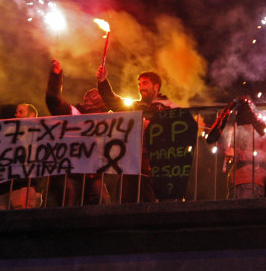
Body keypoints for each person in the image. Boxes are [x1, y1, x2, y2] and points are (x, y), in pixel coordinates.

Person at [96, 64, 179, 202]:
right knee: (126, 205)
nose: (141, 87)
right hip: (130, 167)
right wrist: (103, 81)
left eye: (145, 83)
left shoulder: (169, 107)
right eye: (139, 84)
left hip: (157, 167)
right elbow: (112, 102)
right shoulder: (134, 106)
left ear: (156, 87)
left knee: (152, 208)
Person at [45, 59, 111, 206]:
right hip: (70, 172)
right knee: (68, 201)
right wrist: (55, 77)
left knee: (103, 201)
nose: (91, 100)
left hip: (93, 174)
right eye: (89, 99)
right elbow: (53, 100)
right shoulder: (74, 113)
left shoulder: (107, 122)